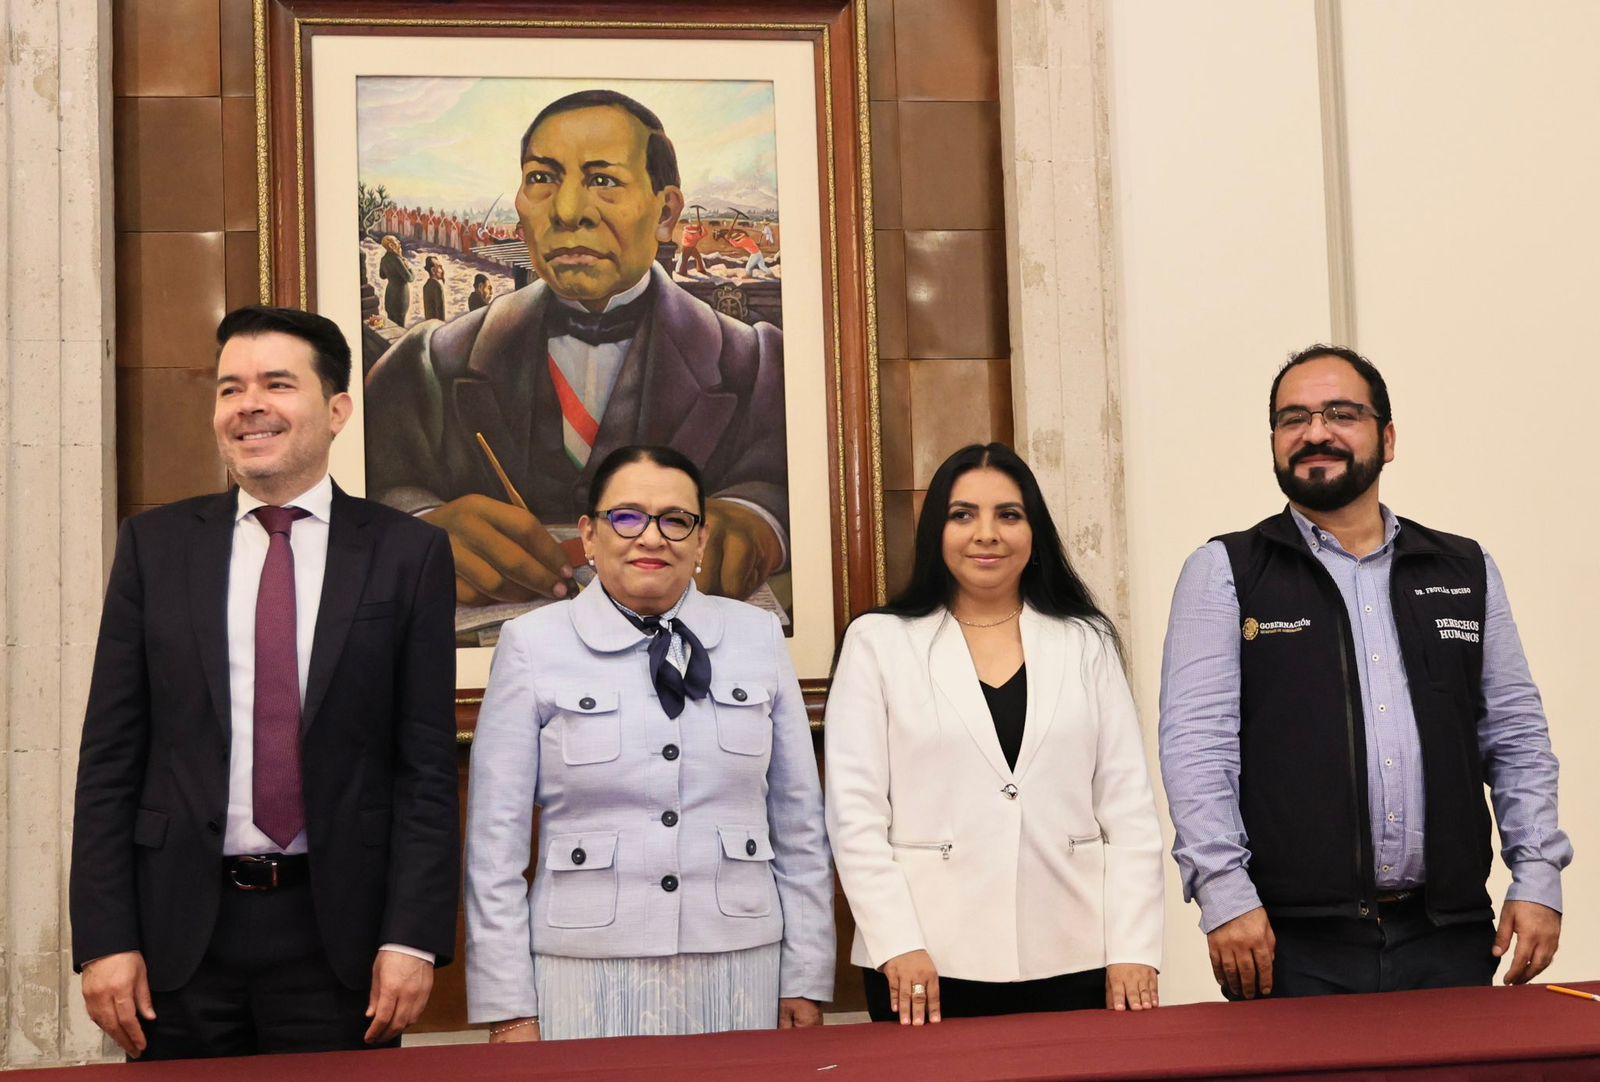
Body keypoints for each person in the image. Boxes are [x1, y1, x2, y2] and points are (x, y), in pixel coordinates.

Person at [70, 306, 461, 1060]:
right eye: (229, 388)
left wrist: (412, 937)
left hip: (340, 943)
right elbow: (109, 759)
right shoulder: (154, 547)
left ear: (337, 409)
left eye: (277, 384)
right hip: (177, 944)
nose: (248, 404)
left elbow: (424, 771)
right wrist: (105, 938)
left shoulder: (407, 555)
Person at [1159, 345, 1571, 1001]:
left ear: (1387, 437)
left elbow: (1516, 736)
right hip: (1289, 946)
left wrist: (1539, 873)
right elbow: (1197, 746)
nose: (1314, 432)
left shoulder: (1463, 570)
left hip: (1452, 934)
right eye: (1293, 418)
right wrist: (1223, 891)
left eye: (1340, 414)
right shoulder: (1226, 570)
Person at [365, 90, 788, 610]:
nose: (566, 212)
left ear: (665, 212)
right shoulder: (427, 364)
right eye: (542, 178)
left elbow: (798, 484)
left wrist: (757, 518)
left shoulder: (760, 365)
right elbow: (365, 490)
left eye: (603, 180)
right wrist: (422, 530)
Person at [464, 444, 833, 1040]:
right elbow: (493, 846)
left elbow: (799, 825)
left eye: (675, 520)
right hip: (581, 966)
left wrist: (807, 978)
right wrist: (510, 1006)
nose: (652, 538)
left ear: (701, 540)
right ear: (589, 535)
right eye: (627, 517)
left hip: (741, 961)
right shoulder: (532, 644)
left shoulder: (757, 637)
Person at [826, 443, 1164, 1025]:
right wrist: (896, 941)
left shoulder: (1087, 641)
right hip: (924, 959)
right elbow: (854, 815)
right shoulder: (878, 642)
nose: (987, 533)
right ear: (937, 530)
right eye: (963, 515)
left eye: (1008, 514)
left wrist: (1134, 947)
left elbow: (1129, 809)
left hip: (1076, 950)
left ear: (1034, 532)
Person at [377, 235, 413, 327]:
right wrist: (408, 266)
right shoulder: (397, 259)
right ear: (391, 246)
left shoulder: (384, 259)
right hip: (400, 297)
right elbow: (410, 278)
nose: (399, 242)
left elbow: (382, 276)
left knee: (392, 323)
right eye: (396, 241)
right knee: (400, 325)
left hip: (390, 295)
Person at [422, 256, 446, 321]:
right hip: (437, 325)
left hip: (429, 323)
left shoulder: (426, 286)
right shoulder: (437, 286)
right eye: (439, 267)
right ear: (432, 270)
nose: (442, 270)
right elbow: (440, 310)